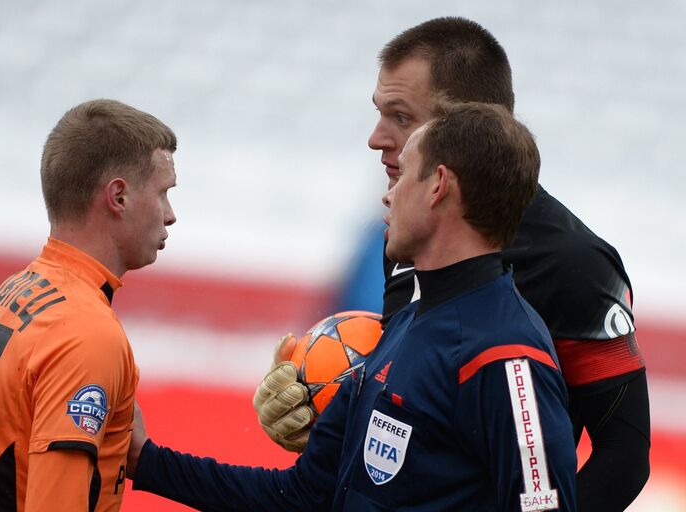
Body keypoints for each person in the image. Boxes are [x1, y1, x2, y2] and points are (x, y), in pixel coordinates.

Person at [253, 17, 650, 511]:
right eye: (379, 114)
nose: (376, 138)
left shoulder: (577, 264)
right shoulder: (410, 233)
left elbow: (625, 456)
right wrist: (320, 405)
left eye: (400, 117)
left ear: (465, 127)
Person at [129, 101, 578, 511]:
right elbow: (301, 497)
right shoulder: (404, 324)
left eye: (402, 176)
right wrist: (147, 462)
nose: (388, 195)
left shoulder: (507, 357)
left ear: (438, 185)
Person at [0, 99, 178, 512]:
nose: (170, 215)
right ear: (119, 196)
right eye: (163, 193)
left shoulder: (11, 294)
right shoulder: (87, 334)